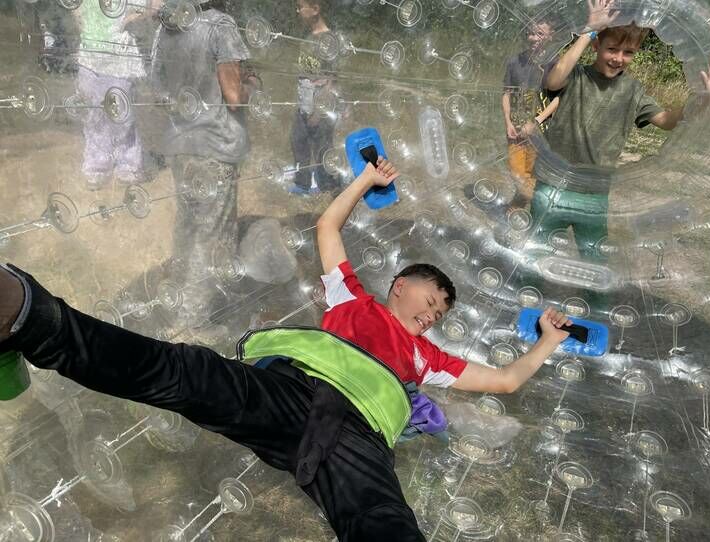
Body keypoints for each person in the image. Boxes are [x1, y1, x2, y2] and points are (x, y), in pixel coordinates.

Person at [0, 157, 574, 541]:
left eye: (440, 314)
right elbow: (328, 229)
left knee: (380, 519)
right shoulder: (352, 300)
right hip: (290, 390)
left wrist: (548, 342)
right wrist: (365, 181)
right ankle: (31, 317)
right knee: (185, 371)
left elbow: (505, 381)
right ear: (400, 286)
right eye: (430, 300)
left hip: (359, 436)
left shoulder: (428, 359)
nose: (432, 315)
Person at [530, 0, 710, 262]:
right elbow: (553, 81)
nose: (619, 58)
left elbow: (666, 120)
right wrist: (590, 30)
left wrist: (704, 100)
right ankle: (531, 290)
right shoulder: (576, 76)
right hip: (553, 184)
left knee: (595, 258)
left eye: (628, 52)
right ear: (597, 46)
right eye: (612, 49)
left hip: (595, 192)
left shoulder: (633, 91)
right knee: (536, 252)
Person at [149, 0, 259, 332]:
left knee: (187, 228)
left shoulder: (167, 26)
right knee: (210, 237)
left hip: (181, 146)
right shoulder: (220, 25)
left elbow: (158, 92)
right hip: (215, 146)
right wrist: (253, 84)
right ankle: (192, 324)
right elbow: (234, 96)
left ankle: (178, 301)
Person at [73, 0, 146, 189]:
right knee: (93, 115)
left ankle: (128, 166)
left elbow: (149, 6)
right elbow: (74, 8)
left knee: (122, 115)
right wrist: (82, 22)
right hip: (89, 58)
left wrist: (127, 21)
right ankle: (97, 167)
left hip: (119, 59)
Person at [501, 21, 560, 204]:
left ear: (551, 36)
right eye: (530, 33)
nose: (533, 38)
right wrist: (508, 122)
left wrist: (536, 122)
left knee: (532, 174)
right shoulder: (515, 62)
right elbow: (506, 93)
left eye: (540, 34)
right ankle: (524, 208)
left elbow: (558, 99)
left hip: (541, 132)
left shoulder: (555, 64)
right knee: (518, 173)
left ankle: (519, 210)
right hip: (516, 130)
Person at [289, 0, 339, 195]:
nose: (297, 10)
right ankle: (302, 183)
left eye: (301, 6)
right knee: (298, 140)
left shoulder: (329, 40)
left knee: (322, 145)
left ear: (315, 9)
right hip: (304, 102)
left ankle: (328, 185)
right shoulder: (307, 36)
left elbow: (332, 79)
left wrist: (319, 111)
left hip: (321, 104)